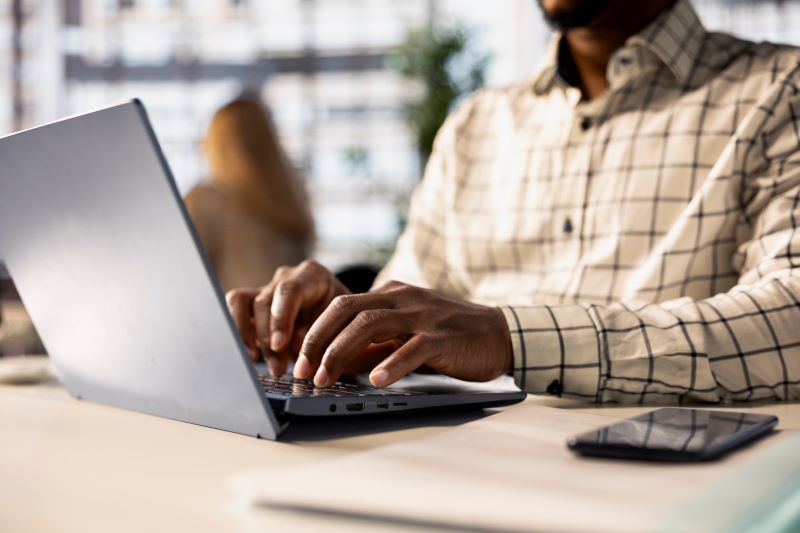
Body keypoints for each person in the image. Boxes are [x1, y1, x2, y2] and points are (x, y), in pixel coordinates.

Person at [227, 0, 800, 403]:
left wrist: (510, 337)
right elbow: (404, 324)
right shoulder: (475, 124)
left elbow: (790, 322)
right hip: (449, 469)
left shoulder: (780, 89)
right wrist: (339, 329)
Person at [185, 98, 314, 294]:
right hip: (298, 320)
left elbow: (187, 279)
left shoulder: (207, 200)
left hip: (244, 319)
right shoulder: (291, 196)